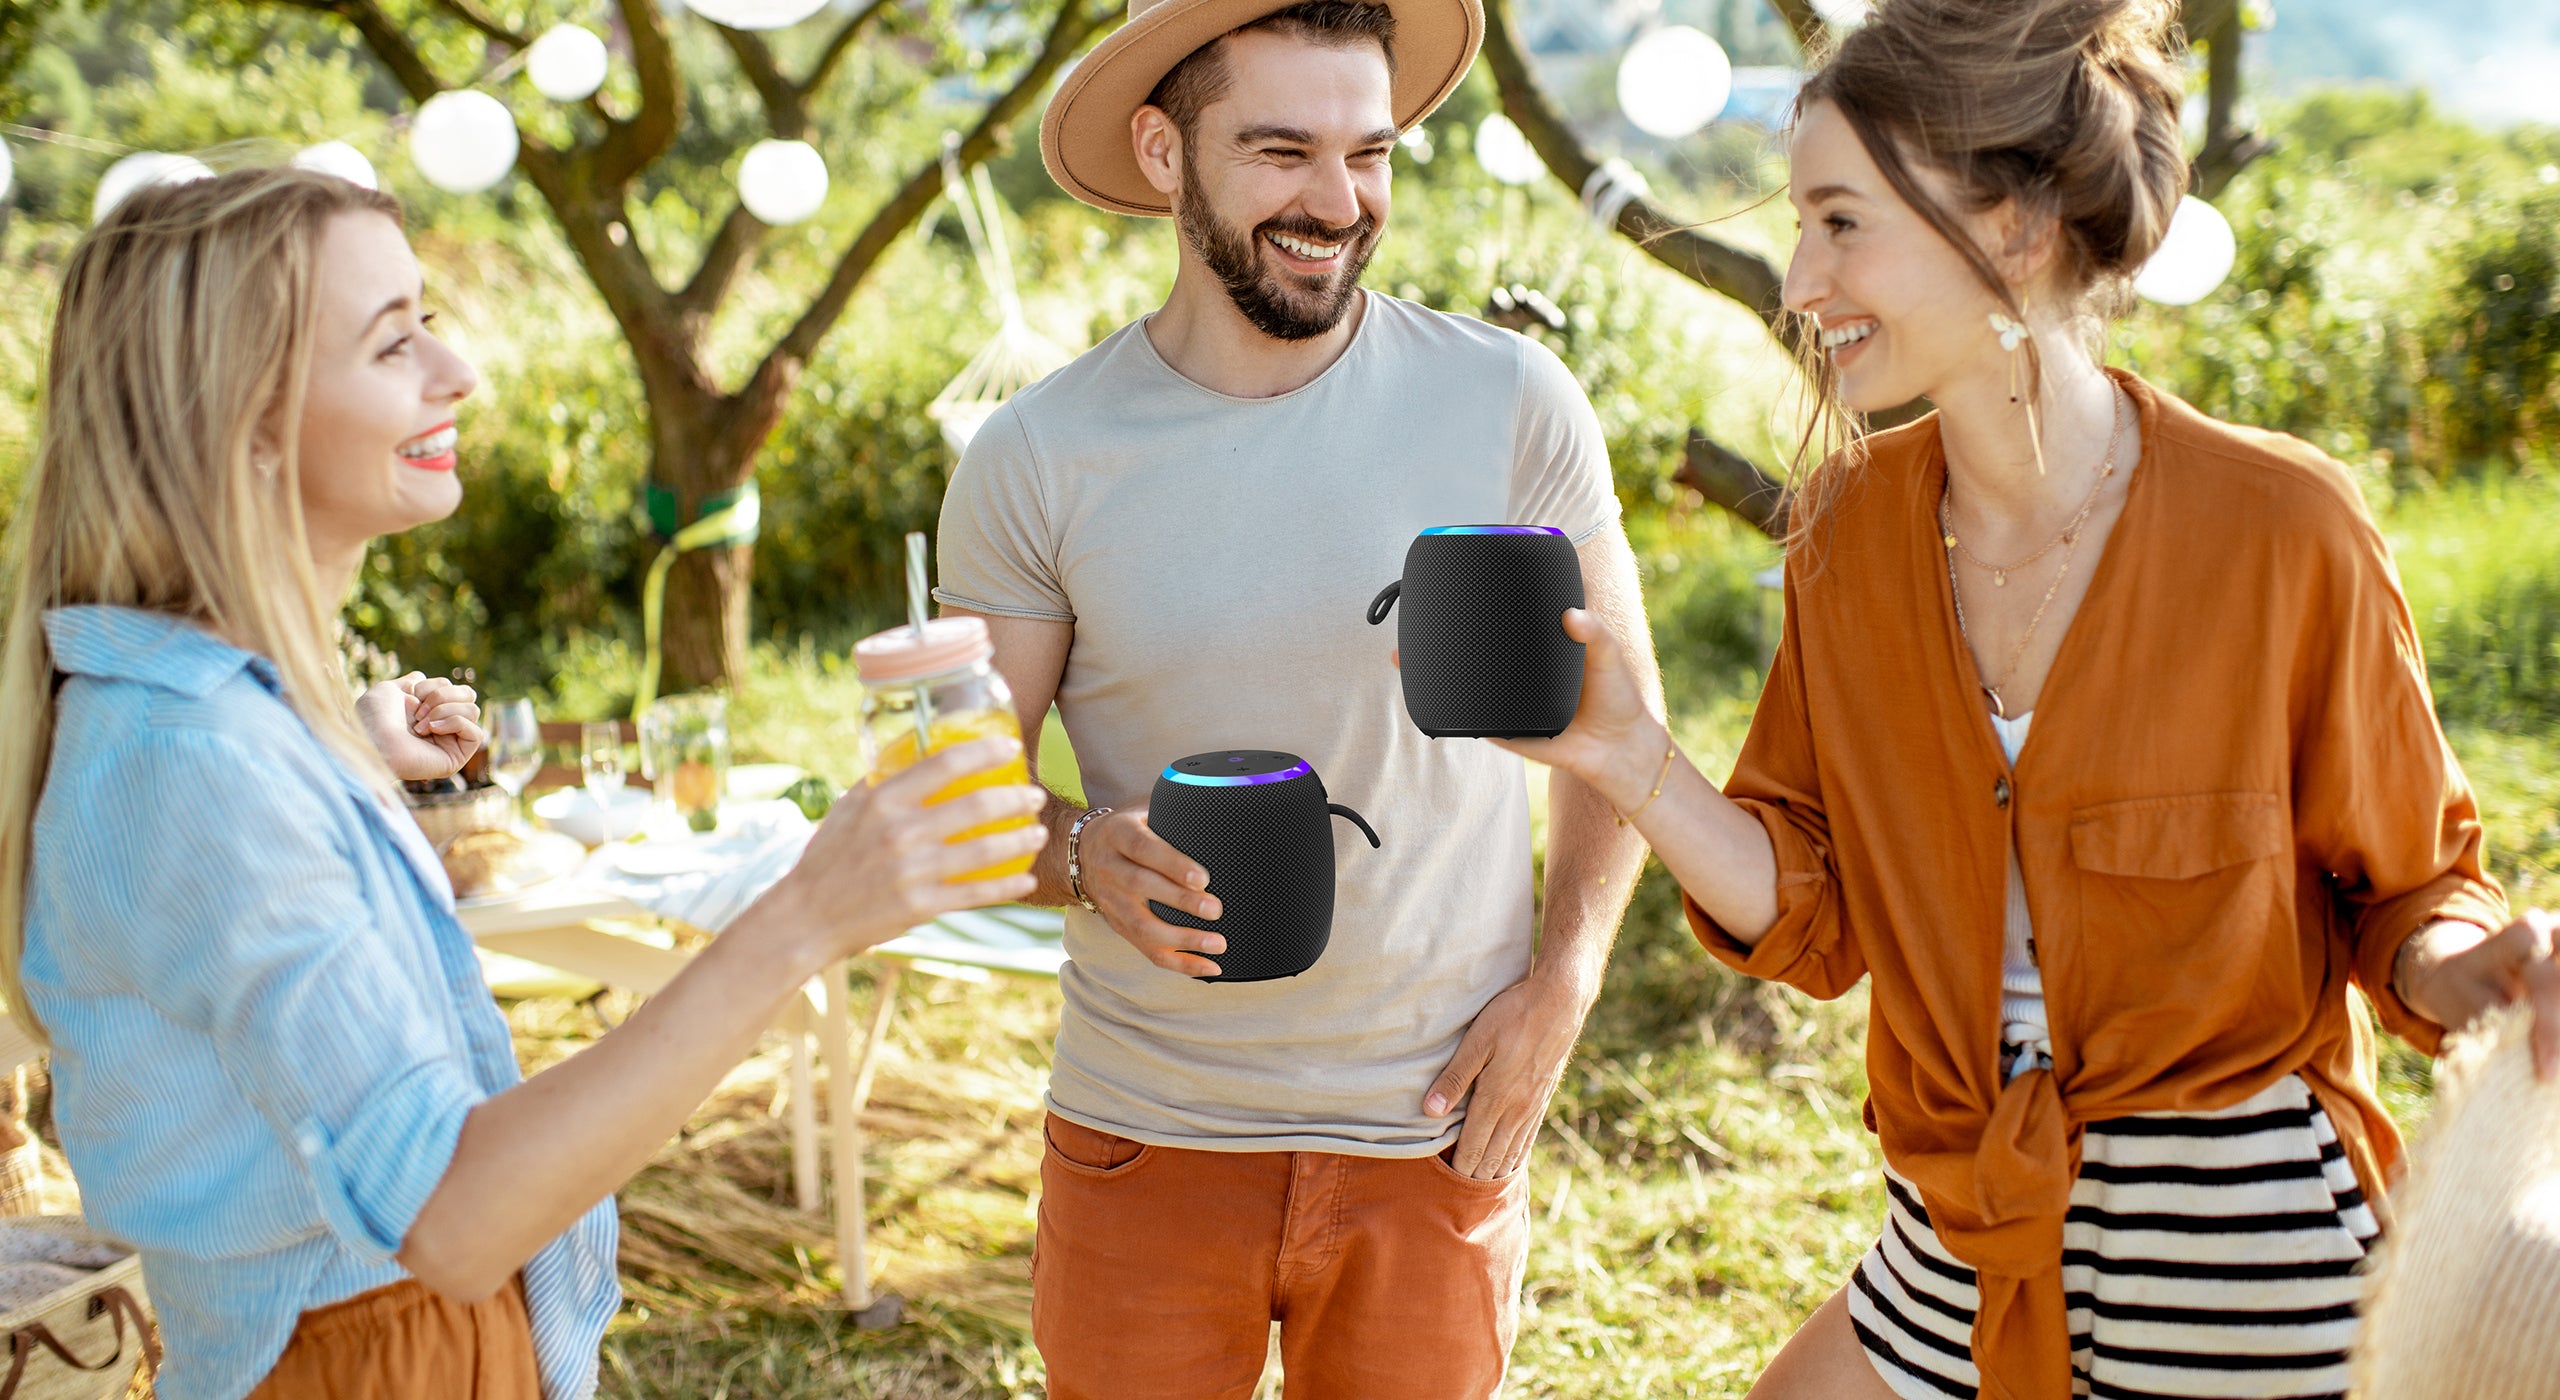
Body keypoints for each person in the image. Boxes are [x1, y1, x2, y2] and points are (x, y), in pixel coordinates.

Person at [1493, 2, 2560, 1398]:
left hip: (2245, 1259)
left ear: (2009, 228)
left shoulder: (2286, 528)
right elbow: (1810, 913)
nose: (1802, 279)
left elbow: (2411, 892)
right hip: (1966, 1225)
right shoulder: (1849, 526)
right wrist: (1635, 759)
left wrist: (2474, 966)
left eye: (1841, 221)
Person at [0, 166, 1047, 1399]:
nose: (459, 374)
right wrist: (808, 912)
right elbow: (452, 1209)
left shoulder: (215, 724)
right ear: (249, 419)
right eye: (394, 342)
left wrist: (339, 749)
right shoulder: (197, 758)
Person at [932, 0, 1659, 1393]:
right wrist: (1080, 853)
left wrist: (1566, 982)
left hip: (1433, 1130)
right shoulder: (1037, 457)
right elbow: (958, 804)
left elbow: (1619, 734)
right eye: (1281, 152)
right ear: (1164, 153)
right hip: (1146, 1130)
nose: (1338, 203)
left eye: (1370, 153)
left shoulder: (1512, 402)